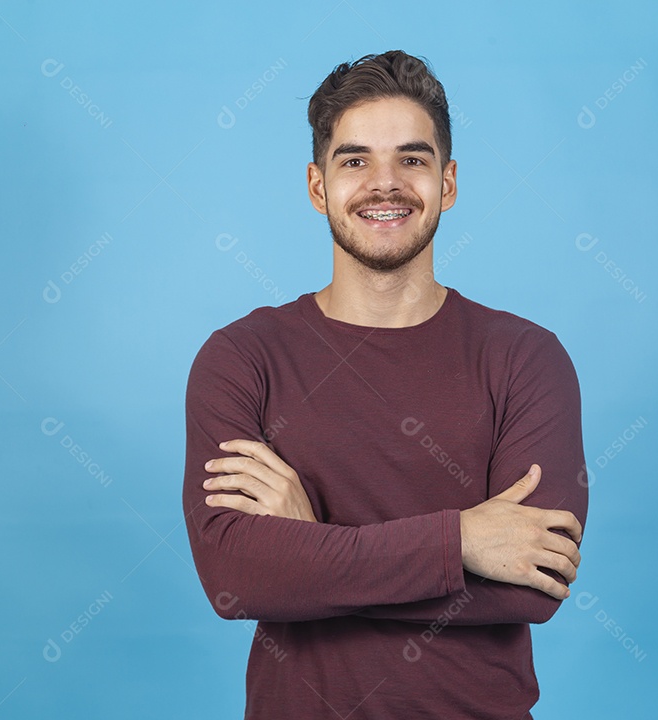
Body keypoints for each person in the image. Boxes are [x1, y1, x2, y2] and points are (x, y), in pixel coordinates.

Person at [184, 49, 587, 719]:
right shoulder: (242, 358)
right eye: (354, 161)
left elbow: (533, 584)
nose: (385, 184)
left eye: (412, 159)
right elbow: (235, 578)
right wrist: (461, 543)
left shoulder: (525, 358)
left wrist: (309, 550)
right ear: (318, 187)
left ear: (447, 182)